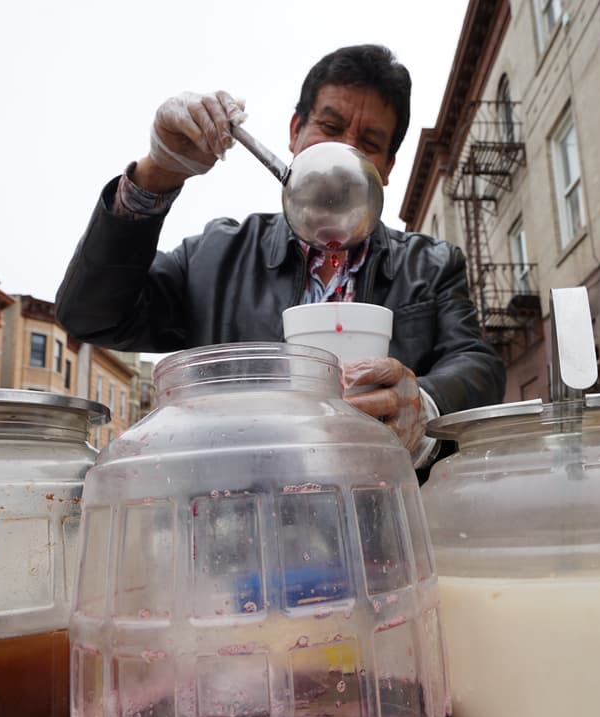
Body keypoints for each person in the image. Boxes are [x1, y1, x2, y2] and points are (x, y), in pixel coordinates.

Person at [55, 44, 506, 469]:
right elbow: (91, 316)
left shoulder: (430, 265)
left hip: (384, 521)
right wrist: (157, 174)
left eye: (368, 142)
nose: (342, 152)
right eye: (329, 129)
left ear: (386, 167)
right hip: (237, 520)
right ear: (294, 132)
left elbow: (477, 364)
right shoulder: (216, 257)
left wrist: (420, 405)